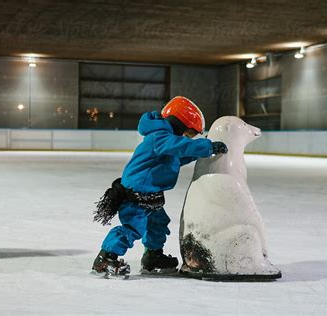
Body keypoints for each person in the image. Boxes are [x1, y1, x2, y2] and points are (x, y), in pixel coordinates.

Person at [92, 96, 228, 277]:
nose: (188, 137)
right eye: (189, 133)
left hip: (150, 194)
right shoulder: (159, 138)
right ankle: (105, 259)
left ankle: (153, 257)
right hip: (136, 195)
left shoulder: (164, 140)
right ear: (179, 124)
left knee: (158, 223)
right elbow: (178, 146)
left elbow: (177, 156)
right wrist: (207, 147)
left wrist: (200, 155)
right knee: (133, 228)